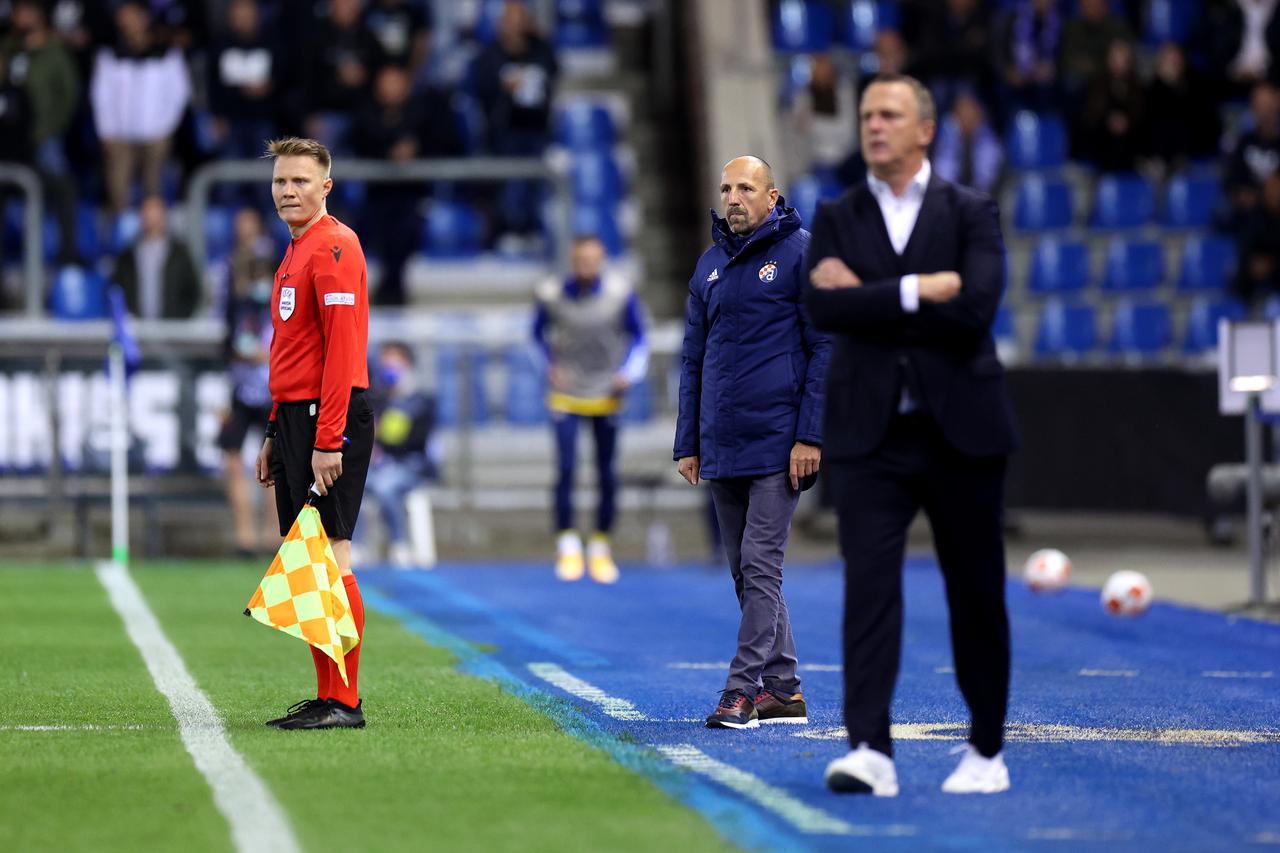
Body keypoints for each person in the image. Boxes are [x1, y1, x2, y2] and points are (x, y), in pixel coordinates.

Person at [804, 74, 1019, 795]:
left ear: (925, 129)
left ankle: (986, 750)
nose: (874, 125)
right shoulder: (835, 213)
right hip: (870, 436)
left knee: (976, 594)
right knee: (867, 588)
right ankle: (870, 748)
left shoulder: (972, 210)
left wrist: (866, 295)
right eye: (867, 114)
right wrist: (915, 289)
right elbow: (822, 310)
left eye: (889, 114)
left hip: (962, 429)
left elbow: (976, 309)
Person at [675, 155, 830, 730]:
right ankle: (784, 690)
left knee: (760, 564)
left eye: (746, 187)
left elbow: (826, 348)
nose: (733, 197)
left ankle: (740, 692)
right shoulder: (709, 266)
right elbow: (692, 361)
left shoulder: (800, 254)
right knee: (745, 571)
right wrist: (687, 441)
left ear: (773, 196)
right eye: (725, 188)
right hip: (722, 442)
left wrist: (810, 434)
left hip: (778, 441)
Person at [254, 137, 373, 731]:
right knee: (308, 561)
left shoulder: (332, 246)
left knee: (332, 553)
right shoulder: (299, 248)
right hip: (298, 418)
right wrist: (276, 430)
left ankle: (345, 701)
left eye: (300, 181)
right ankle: (329, 696)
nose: (288, 190)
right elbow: (292, 352)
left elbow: (341, 353)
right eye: (280, 181)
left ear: (325, 186)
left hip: (331, 417)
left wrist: (328, 438)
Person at [533, 234, 648, 584]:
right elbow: (535, 336)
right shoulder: (552, 293)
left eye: (592, 260)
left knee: (606, 471)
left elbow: (639, 337)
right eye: (580, 260)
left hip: (606, 392)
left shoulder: (619, 294)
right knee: (566, 467)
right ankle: (567, 542)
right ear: (572, 260)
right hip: (566, 394)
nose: (586, 266)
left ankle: (600, 543)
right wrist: (549, 366)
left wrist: (627, 374)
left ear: (601, 261)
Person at [218, 207, 278, 557]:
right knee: (233, 459)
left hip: (273, 391)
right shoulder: (237, 311)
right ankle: (245, 536)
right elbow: (228, 346)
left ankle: (272, 535)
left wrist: (268, 355)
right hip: (242, 390)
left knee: (273, 465)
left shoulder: (280, 310)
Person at [358, 341, 437, 567]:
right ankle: (358, 546)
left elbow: (403, 440)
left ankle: (400, 544)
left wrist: (384, 422)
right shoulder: (376, 399)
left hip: (411, 466)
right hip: (381, 466)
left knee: (386, 487)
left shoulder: (420, 401)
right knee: (356, 485)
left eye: (395, 360)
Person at [110, 194, 201, 319]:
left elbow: (193, 291)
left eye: (155, 210)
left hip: (172, 329)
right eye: (147, 210)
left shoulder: (180, 254)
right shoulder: (127, 257)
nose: (151, 216)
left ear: (164, 215)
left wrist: (179, 319)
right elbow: (116, 289)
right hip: (136, 327)